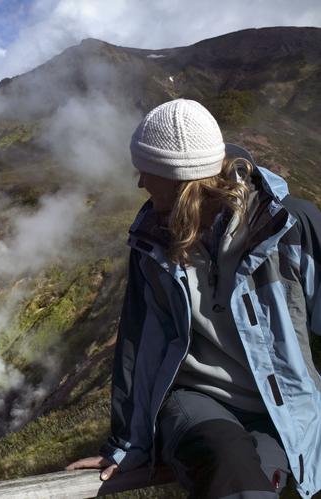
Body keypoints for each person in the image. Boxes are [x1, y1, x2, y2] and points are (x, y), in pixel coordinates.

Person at [66, 98, 321, 498]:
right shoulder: (151, 242)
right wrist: (126, 445)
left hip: (279, 410)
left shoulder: (290, 226)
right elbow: (139, 345)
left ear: (179, 179)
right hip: (196, 401)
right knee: (228, 463)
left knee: (257, 484)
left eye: (146, 172)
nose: (140, 184)